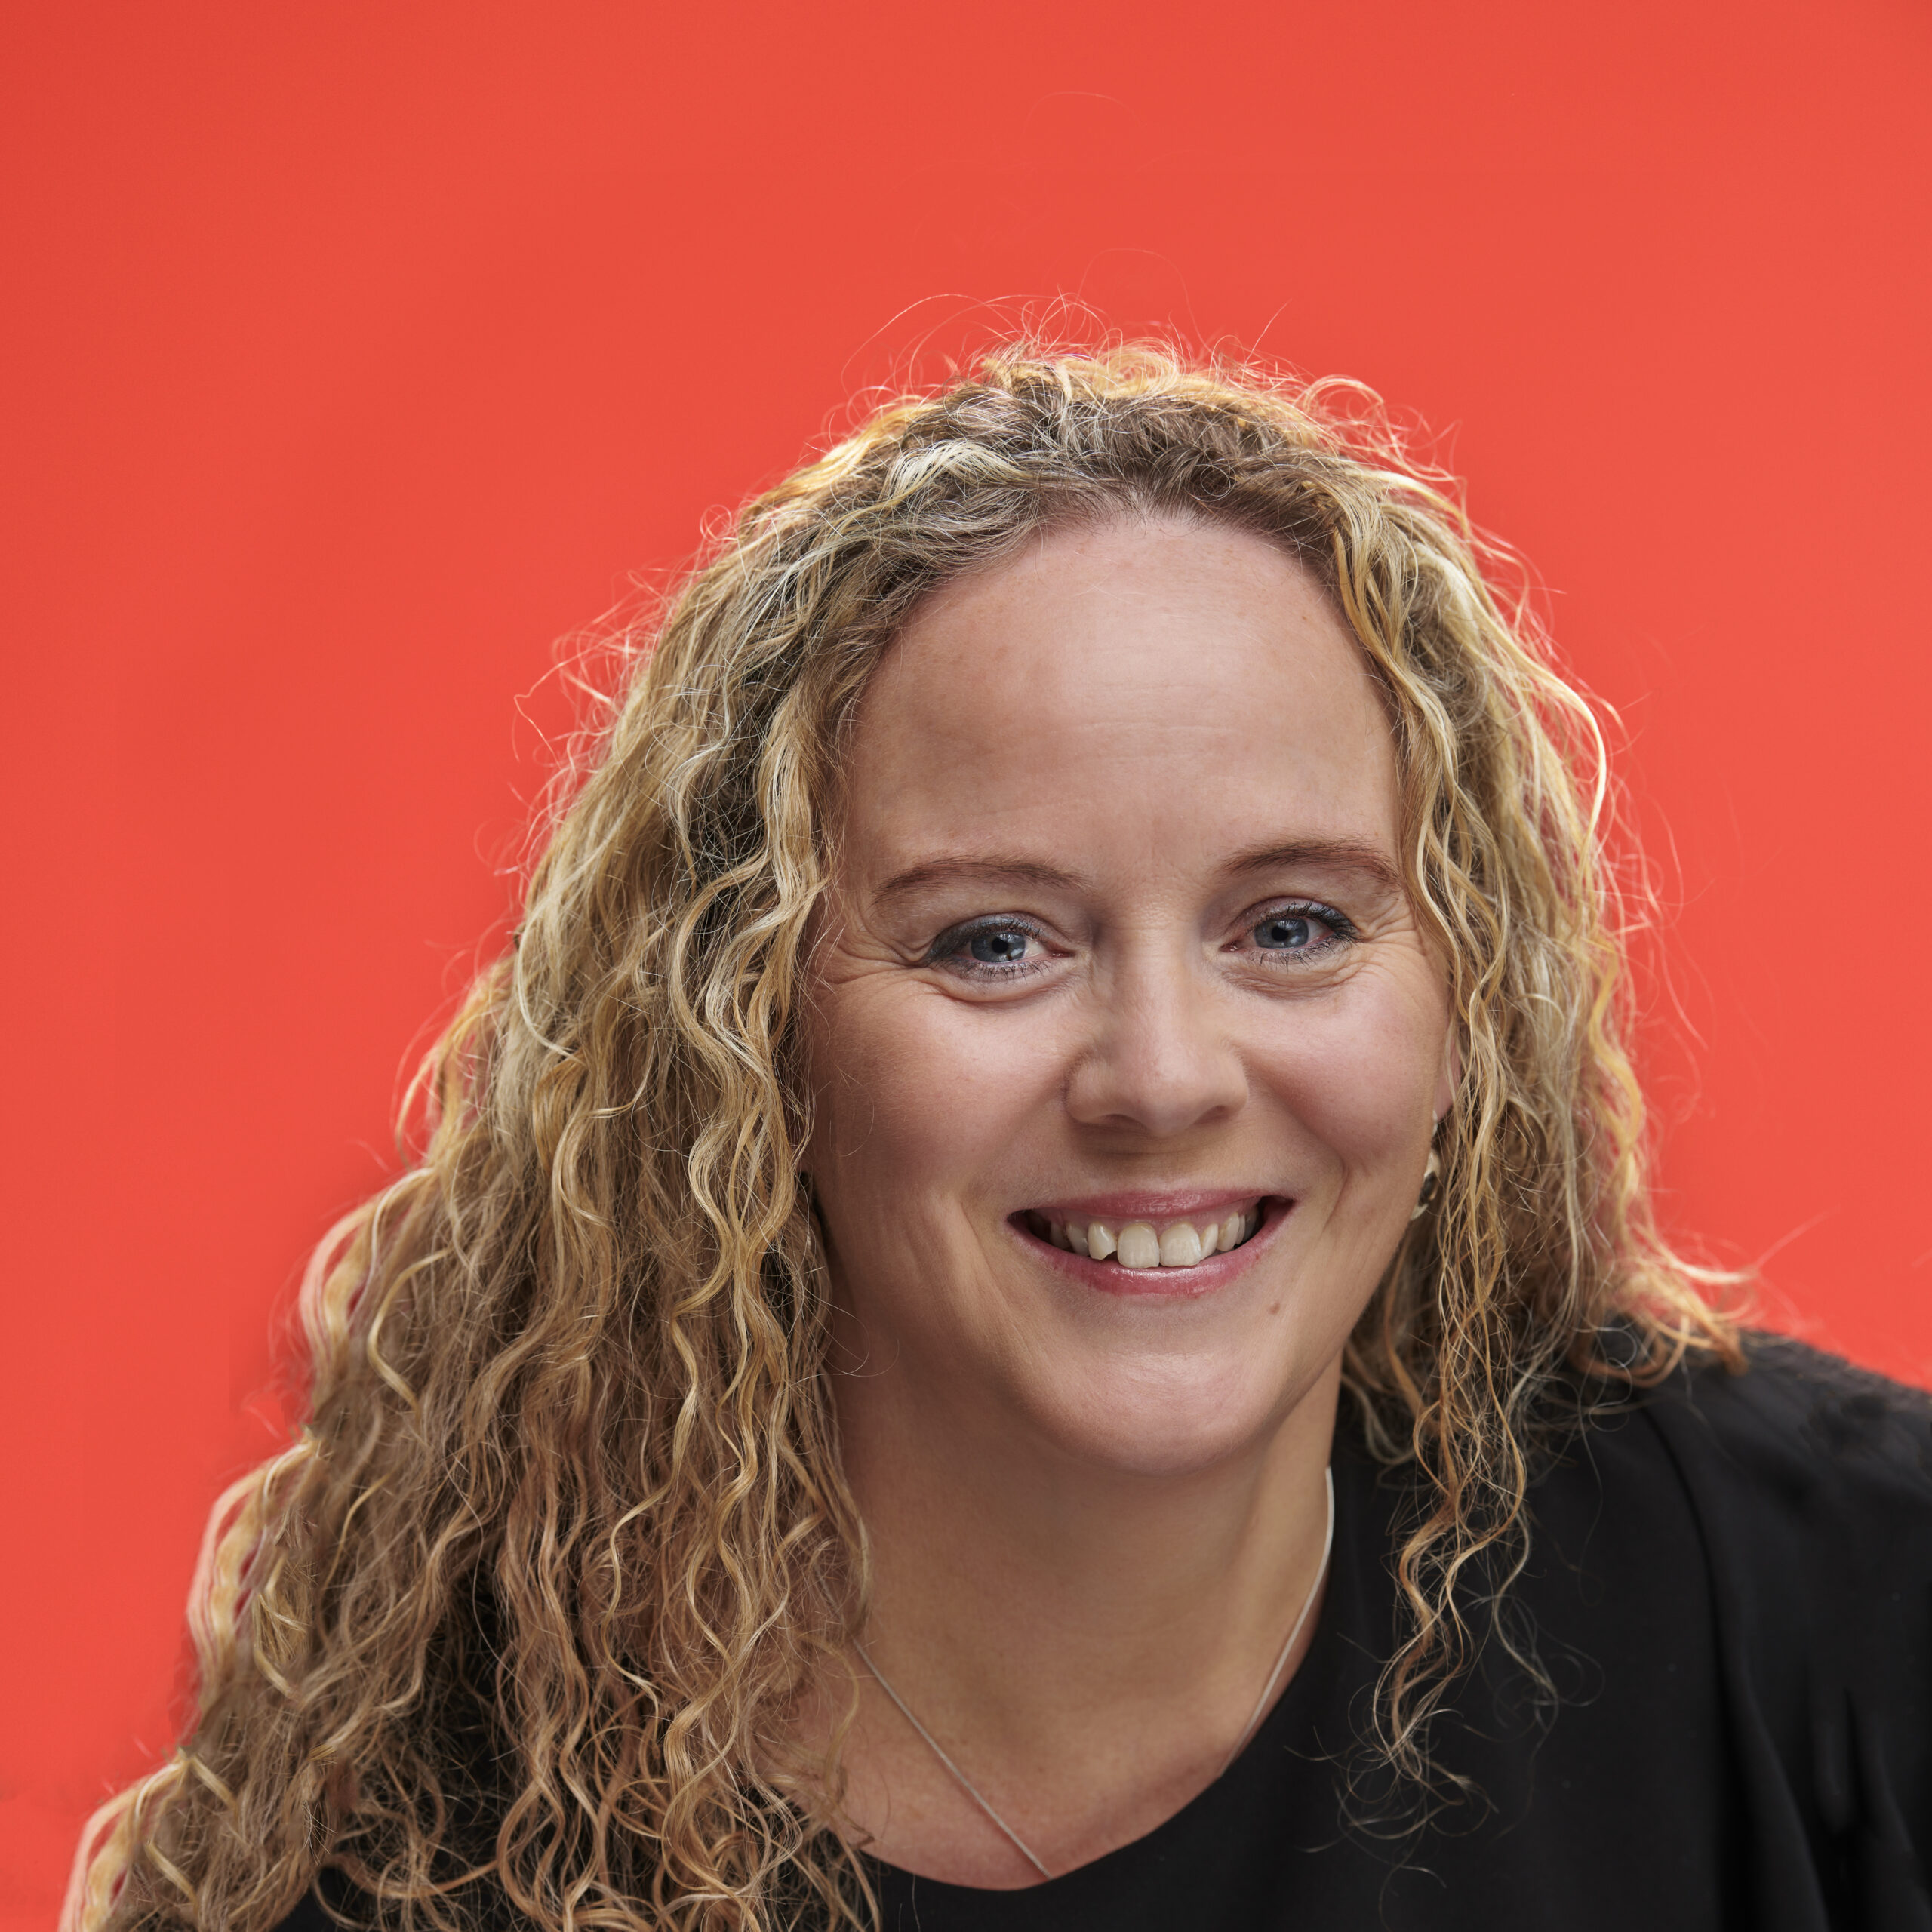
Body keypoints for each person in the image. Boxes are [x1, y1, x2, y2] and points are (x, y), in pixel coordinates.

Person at [71, 346, 1932, 1932]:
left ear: (1466, 1007)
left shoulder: (1833, 1605)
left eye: (1290, 923)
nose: (1158, 1072)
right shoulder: (430, 1842)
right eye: (994, 940)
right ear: (750, 1038)